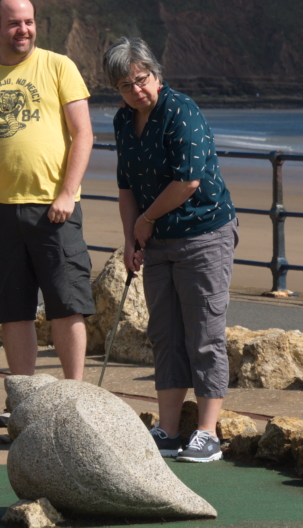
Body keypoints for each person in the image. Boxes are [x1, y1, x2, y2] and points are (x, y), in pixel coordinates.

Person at [0, 0, 94, 427]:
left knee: (67, 303)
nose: (24, 29)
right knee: (11, 308)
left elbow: (83, 133)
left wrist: (67, 193)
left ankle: (73, 401)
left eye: (29, 21)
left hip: (54, 209)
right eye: (14, 23)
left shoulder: (59, 66)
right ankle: (24, 400)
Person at [104, 38, 236, 464]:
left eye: (141, 79)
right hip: (157, 241)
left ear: (156, 75)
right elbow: (126, 184)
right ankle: (168, 429)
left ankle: (207, 433)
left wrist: (146, 220)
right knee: (165, 334)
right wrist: (131, 238)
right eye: (125, 85)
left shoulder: (181, 110)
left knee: (204, 333)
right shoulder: (124, 120)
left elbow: (187, 181)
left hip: (203, 234)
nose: (136, 90)